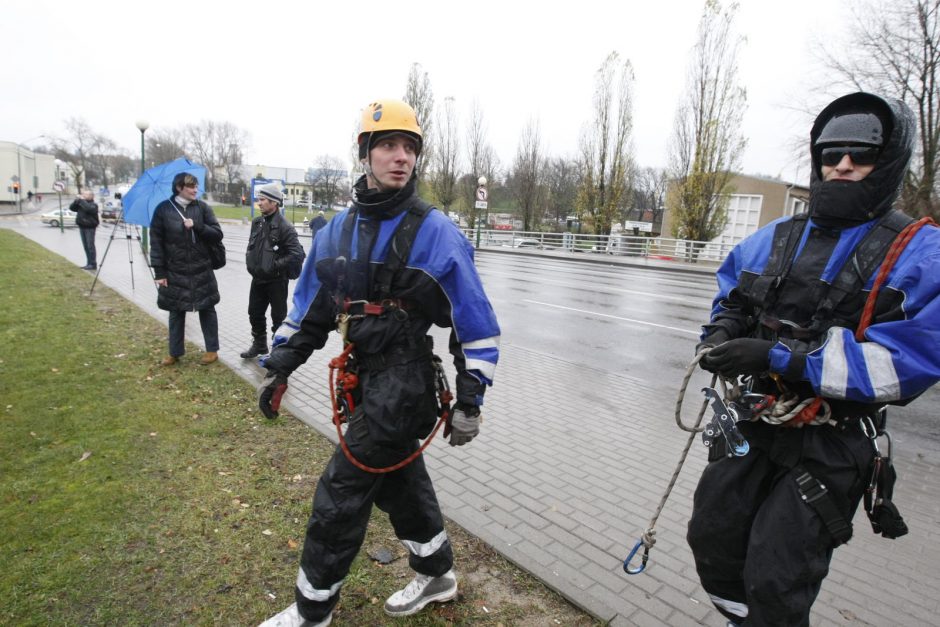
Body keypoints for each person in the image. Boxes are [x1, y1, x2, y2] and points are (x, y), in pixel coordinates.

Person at [688, 91, 940, 626]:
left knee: (777, 577)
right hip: (756, 423)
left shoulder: (921, 254)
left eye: (860, 155)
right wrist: (723, 330)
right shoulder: (776, 239)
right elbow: (732, 294)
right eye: (831, 155)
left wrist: (784, 358)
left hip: (831, 441)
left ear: (889, 160)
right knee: (712, 539)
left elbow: (909, 361)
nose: (842, 165)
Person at [257, 98, 500, 627]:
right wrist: (280, 367)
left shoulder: (436, 232)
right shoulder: (336, 233)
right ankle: (437, 574)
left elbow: (474, 324)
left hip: (406, 381)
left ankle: (311, 610)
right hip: (363, 376)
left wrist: (471, 400)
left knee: (341, 493)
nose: (400, 157)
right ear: (364, 154)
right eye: (388, 145)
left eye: (409, 147)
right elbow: (310, 310)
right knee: (400, 483)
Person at [149, 172, 224, 366]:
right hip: (175, 270)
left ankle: (212, 350)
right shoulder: (163, 210)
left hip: (201, 269)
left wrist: (197, 226)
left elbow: (217, 234)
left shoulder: (202, 208)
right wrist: (160, 272)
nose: (195, 190)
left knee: (207, 309)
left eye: (196, 186)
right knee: (176, 312)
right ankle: (174, 352)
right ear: (179, 188)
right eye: (190, 186)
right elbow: (156, 243)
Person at [240, 182, 305, 359]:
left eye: (262, 200)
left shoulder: (285, 226)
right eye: (258, 199)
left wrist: (274, 265)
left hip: (276, 281)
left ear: (274, 202)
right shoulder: (257, 222)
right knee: (254, 313)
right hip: (258, 279)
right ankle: (259, 345)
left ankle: (278, 353)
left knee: (278, 318)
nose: (259, 203)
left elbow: (297, 254)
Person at [69, 190, 99, 270]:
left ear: (91, 196)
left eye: (86, 194)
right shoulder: (81, 203)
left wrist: (81, 200)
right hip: (82, 226)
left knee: (90, 246)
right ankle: (88, 263)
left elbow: (88, 209)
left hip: (90, 228)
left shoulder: (94, 205)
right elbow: (71, 208)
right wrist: (76, 201)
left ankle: (93, 264)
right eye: (83, 194)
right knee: (85, 246)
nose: (84, 196)